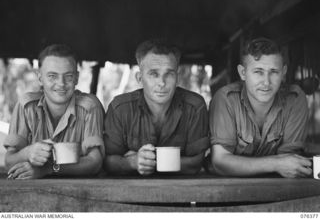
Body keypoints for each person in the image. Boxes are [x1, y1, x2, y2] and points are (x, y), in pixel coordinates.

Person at [209, 37, 312, 178]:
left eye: (274, 72)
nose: (266, 82)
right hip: (227, 190)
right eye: (258, 72)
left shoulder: (294, 98)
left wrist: (281, 164)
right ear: (243, 73)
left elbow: (289, 162)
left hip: (278, 190)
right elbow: (220, 162)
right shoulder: (226, 99)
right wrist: (276, 164)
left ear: (283, 73)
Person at [104, 39, 209, 175]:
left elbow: (196, 163)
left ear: (177, 77)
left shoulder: (195, 107)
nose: (161, 83)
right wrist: (133, 162)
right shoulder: (120, 108)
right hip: (129, 192)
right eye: (154, 74)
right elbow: (107, 161)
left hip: (182, 191)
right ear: (139, 78)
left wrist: (151, 162)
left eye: (169, 74)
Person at [4, 44, 105, 179]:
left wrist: (49, 169)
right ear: (40, 78)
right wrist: (27, 153)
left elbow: (95, 162)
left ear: (76, 77)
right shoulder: (26, 106)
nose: (61, 83)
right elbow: (8, 161)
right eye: (52, 76)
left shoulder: (90, 107)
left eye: (68, 76)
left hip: (82, 192)